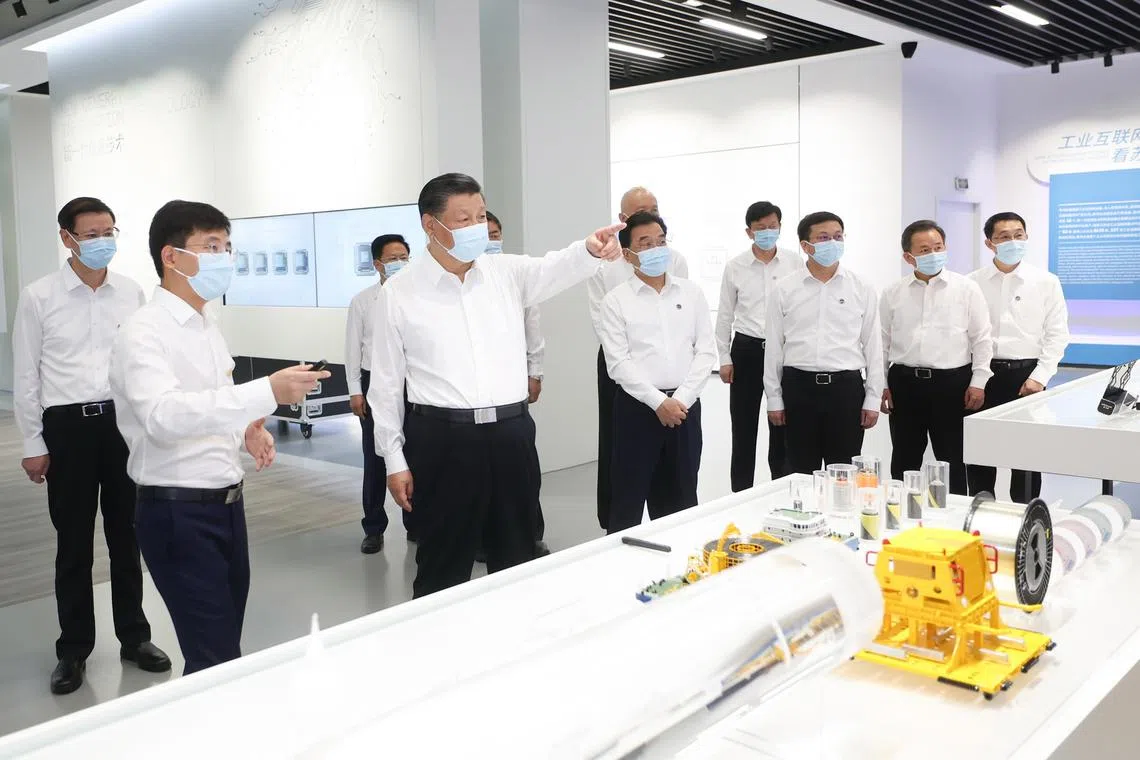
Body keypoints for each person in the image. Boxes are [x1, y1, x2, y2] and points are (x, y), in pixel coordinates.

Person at [368, 173, 622, 598]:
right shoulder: (400, 293)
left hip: (511, 434)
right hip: (442, 440)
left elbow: (554, 267)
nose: (477, 227)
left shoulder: (507, 272)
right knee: (443, 563)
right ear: (430, 225)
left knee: (517, 555)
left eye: (481, 215)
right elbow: (386, 384)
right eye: (463, 218)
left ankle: (514, 632)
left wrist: (590, 249)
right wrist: (393, 458)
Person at [109, 200, 329, 675]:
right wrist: (266, 392)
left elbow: (210, 399)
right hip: (177, 510)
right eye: (211, 247)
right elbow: (163, 416)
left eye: (227, 247)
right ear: (171, 257)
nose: (224, 258)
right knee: (214, 658)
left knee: (223, 646)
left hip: (226, 504)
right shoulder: (143, 331)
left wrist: (246, 429)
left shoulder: (208, 324)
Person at [13, 197, 171, 695]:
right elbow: (26, 375)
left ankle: (135, 638)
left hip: (122, 426)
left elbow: (143, 363)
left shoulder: (131, 292)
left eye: (109, 232)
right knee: (74, 544)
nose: (103, 241)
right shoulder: (39, 297)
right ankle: (74, 649)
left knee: (128, 536)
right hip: (68, 430)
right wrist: (33, 441)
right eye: (92, 234)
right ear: (67, 238)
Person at [599, 212, 716, 533]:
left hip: (684, 410)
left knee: (681, 503)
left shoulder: (691, 293)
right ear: (627, 254)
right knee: (627, 503)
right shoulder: (616, 301)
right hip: (637, 411)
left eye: (661, 242)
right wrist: (658, 402)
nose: (656, 249)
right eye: (645, 243)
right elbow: (618, 363)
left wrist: (681, 400)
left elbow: (706, 352)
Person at [587, 186, 688, 531]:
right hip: (619, 363)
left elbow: (682, 315)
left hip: (666, 363)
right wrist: (634, 372)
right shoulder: (604, 265)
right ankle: (616, 520)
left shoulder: (675, 259)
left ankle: (669, 516)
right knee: (618, 444)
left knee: (673, 448)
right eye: (640, 211)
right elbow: (602, 325)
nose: (650, 215)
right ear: (622, 219)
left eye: (654, 209)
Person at [764, 211, 884, 474]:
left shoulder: (861, 287)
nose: (833, 242)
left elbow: (873, 345)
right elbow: (773, 347)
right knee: (798, 472)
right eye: (824, 237)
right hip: (798, 388)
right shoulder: (784, 288)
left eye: (838, 236)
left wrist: (873, 397)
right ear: (806, 246)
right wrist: (774, 398)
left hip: (845, 390)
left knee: (843, 474)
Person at [880, 220, 993, 495]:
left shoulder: (966, 289)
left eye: (938, 247)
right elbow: (881, 342)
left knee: (952, 458)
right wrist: (880, 384)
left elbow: (982, 338)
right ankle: (902, 510)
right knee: (904, 458)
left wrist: (978, 382)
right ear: (908, 257)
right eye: (924, 250)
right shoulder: (893, 292)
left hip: (952, 384)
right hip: (904, 383)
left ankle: (954, 516)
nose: (933, 254)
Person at [967, 212, 1069, 502]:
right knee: (980, 452)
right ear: (990, 243)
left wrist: (1040, 377)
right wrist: (975, 379)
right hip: (983, 374)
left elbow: (1057, 334)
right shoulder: (972, 283)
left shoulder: (1046, 282)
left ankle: (1026, 512)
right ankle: (981, 509)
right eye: (1004, 236)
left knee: (1027, 455)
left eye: (1018, 235)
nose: (1013, 241)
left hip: (1027, 377)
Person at [715, 200, 804, 491]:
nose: (767, 232)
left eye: (772, 226)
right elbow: (725, 314)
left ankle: (781, 489)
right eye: (760, 228)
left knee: (782, 425)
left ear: (780, 227)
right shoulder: (735, 267)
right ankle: (740, 492)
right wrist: (724, 357)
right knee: (743, 427)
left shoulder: (795, 262)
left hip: (784, 351)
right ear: (749, 232)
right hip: (747, 350)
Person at [486, 211, 549, 558]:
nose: (491, 240)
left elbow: (532, 326)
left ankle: (530, 535)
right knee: (481, 475)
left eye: (496, 234)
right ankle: (484, 538)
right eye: (485, 234)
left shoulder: (515, 274)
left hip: (512, 391)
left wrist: (535, 372)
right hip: (474, 397)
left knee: (523, 469)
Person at [346, 233, 412, 554]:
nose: (400, 263)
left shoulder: (416, 296)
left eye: (404, 257)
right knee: (375, 458)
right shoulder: (363, 301)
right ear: (377, 264)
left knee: (415, 453)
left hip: (412, 381)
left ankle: (415, 522)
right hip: (373, 381)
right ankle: (373, 527)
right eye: (393, 258)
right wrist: (355, 390)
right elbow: (352, 349)